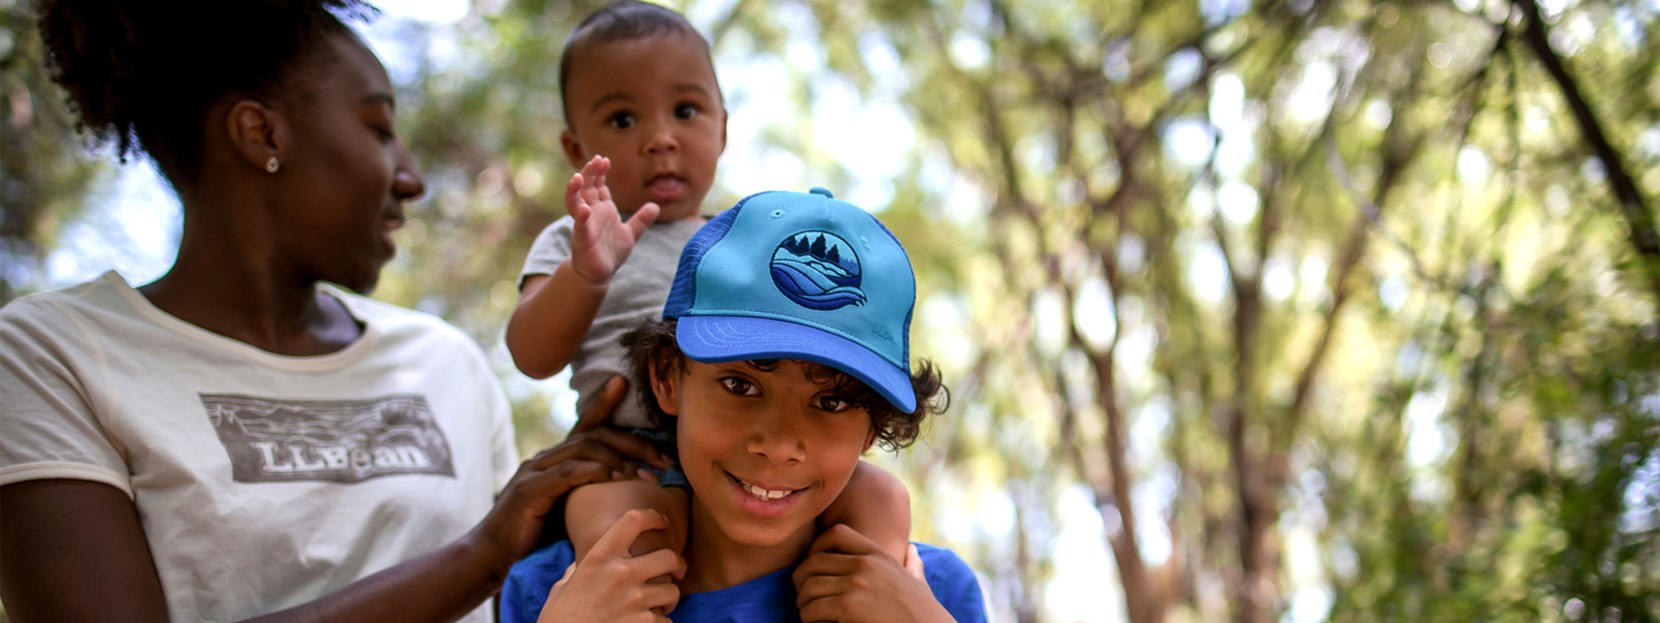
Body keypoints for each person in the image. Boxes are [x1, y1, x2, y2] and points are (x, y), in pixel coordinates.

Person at [0, 2, 666, 621]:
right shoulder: (53, 354)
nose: (412, 177)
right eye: (378, 130)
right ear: (261, 133)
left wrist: (580, 501)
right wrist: (481, 554)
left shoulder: (445, 363)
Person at [502, 0, 913, 578]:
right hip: (632, 461)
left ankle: (864, 595)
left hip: (749, 446)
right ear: (576, 149)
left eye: (687, 110)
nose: (660, 138)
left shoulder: (741, 243)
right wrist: (588, 271)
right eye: (623, 120)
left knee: (884, 501)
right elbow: (531, 354)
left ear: (722, 127)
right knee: (627, 546)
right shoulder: (578, 239)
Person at [500, 188, 989, 622]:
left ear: (872, 428)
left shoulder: (929, 595)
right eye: (740, 385)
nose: (778, 445)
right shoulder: (557, 592)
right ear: (669, 377)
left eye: (832, 400)